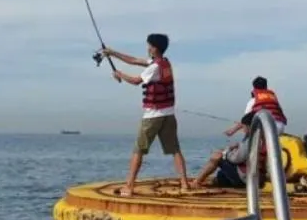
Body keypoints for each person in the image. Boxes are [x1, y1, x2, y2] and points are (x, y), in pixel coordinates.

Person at [101, 33, 190, 197]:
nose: (147, 48)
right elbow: (134, 60)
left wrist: (120, 74)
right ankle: (184, 183)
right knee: (175, 150)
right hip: (169, 115)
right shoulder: (164, 63)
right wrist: (112, 53)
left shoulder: (154, 68)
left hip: (152, 117)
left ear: (154, 48)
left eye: (149, 46)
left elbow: (136, 81)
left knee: (138, 150)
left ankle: (129, 186)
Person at [196, 113, 254, 189]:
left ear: (248, 126)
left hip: (247, 179)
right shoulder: (261, 137)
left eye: (243, 127)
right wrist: (235, 147)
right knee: (221, 175)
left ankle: (197, 182)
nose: (242, 129)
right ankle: (219, 181)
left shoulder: (251, 140)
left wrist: (225, 152)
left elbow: (236, 158)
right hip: (255, 177)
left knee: (216, 157)